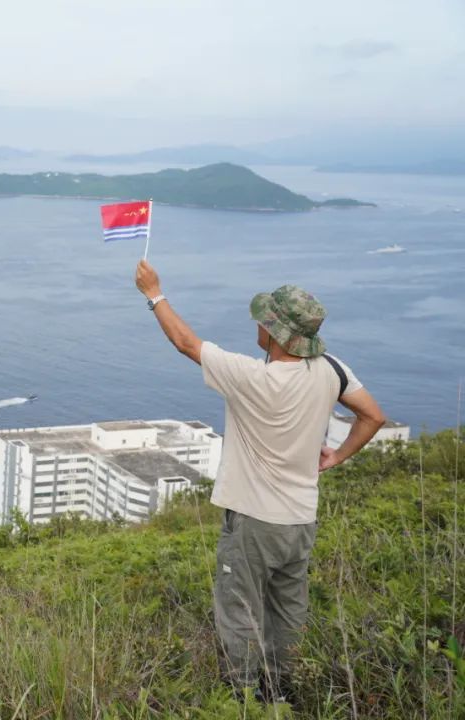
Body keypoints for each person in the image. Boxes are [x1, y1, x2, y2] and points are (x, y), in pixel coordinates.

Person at [134, 259, 386, 702]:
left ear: (275, 333)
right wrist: (338, 455)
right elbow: (373, 416)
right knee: (288, 613)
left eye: (264, 320)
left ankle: (245, 699)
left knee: (240, 611)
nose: (258, 324)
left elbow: (185, 342)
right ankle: (283, 693)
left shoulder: (252, 378)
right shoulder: (332, 369)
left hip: (253, 521)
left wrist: (154, 293)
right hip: (300, 520)